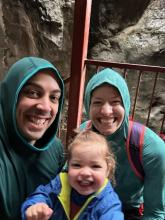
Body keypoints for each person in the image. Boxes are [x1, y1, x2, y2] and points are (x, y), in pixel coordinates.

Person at [80, 68, 165, 220]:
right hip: (86, 207)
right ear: (88, 105)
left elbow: (154, 213)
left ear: (126, 104)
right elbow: (64, 179)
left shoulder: (151, 148)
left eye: (115, 102)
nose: (106, 111)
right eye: (97, 102)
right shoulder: (82, 134)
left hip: (126, 211)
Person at [0, 57, 65, 220]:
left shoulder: (56, 149)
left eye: (54, 98)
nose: (45, 107)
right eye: (33, 93)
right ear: (11, 96)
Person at [21, 130, 124, 220]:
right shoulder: (61, 183)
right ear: (68, 166)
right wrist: (35, 206)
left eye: (95, 166)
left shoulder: (108, 203)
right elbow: (42, 194)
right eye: (77, 165)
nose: (85, 173)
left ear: (107, 170)